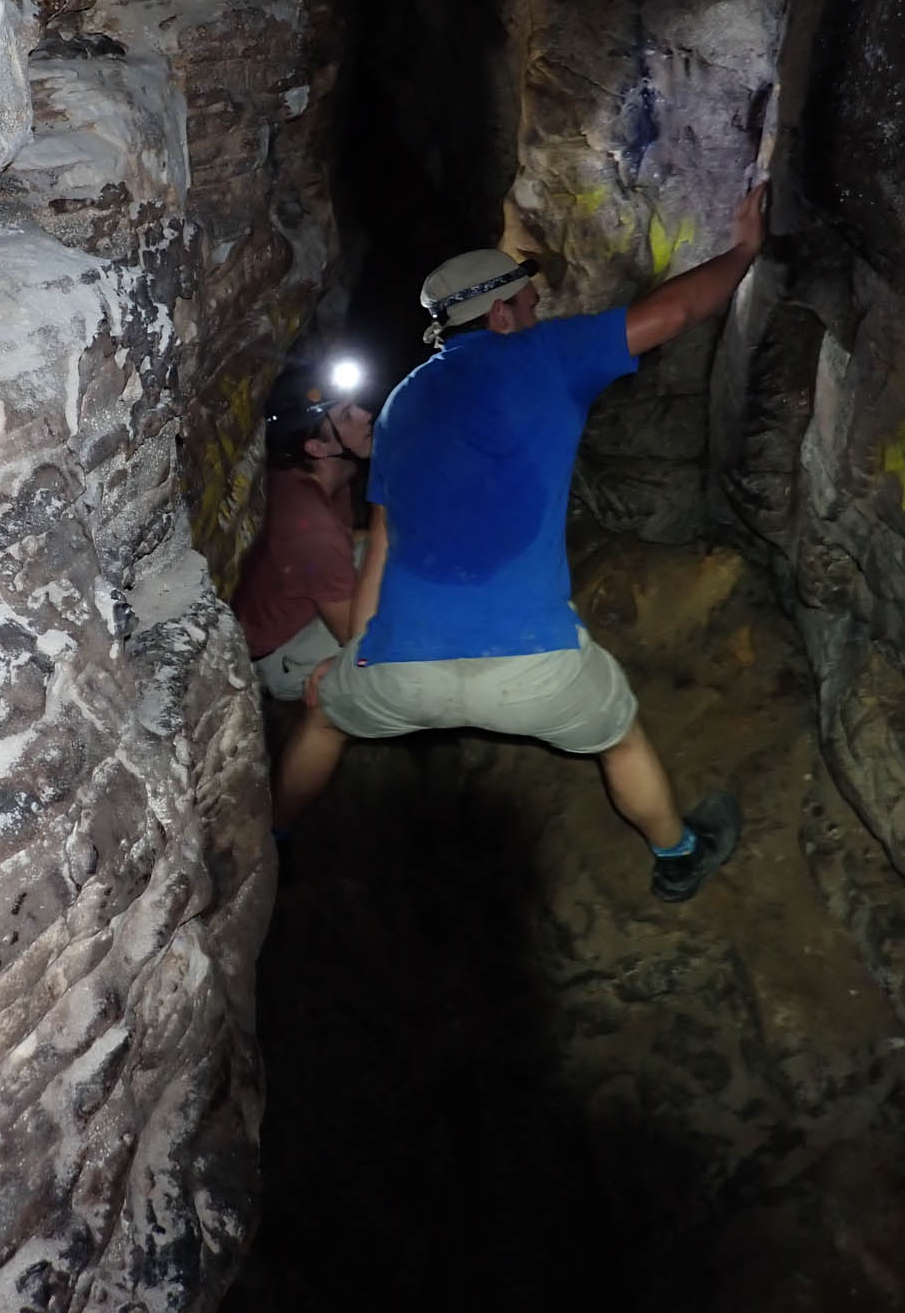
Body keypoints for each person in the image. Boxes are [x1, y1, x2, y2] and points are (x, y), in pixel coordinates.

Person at [273, 185, 769, 901]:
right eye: (531, 304)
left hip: (402, 669)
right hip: (534, 667)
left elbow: (383, 541)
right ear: (501, 313)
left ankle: (273, 839)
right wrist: (745, 249)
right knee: (620, 735)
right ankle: (679, 855)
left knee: (324, 720)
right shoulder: (545, 356)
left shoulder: (403, 403)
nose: (539, 314)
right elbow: (679, 310)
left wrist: (357, 655)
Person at [234, 394, 374, 700]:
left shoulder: (314, 482)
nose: (366, 415)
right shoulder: (312, 526)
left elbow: (349, 542)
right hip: (280, 656)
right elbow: (354, 635)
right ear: (317, 448)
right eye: (347, 416)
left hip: (294, 611)